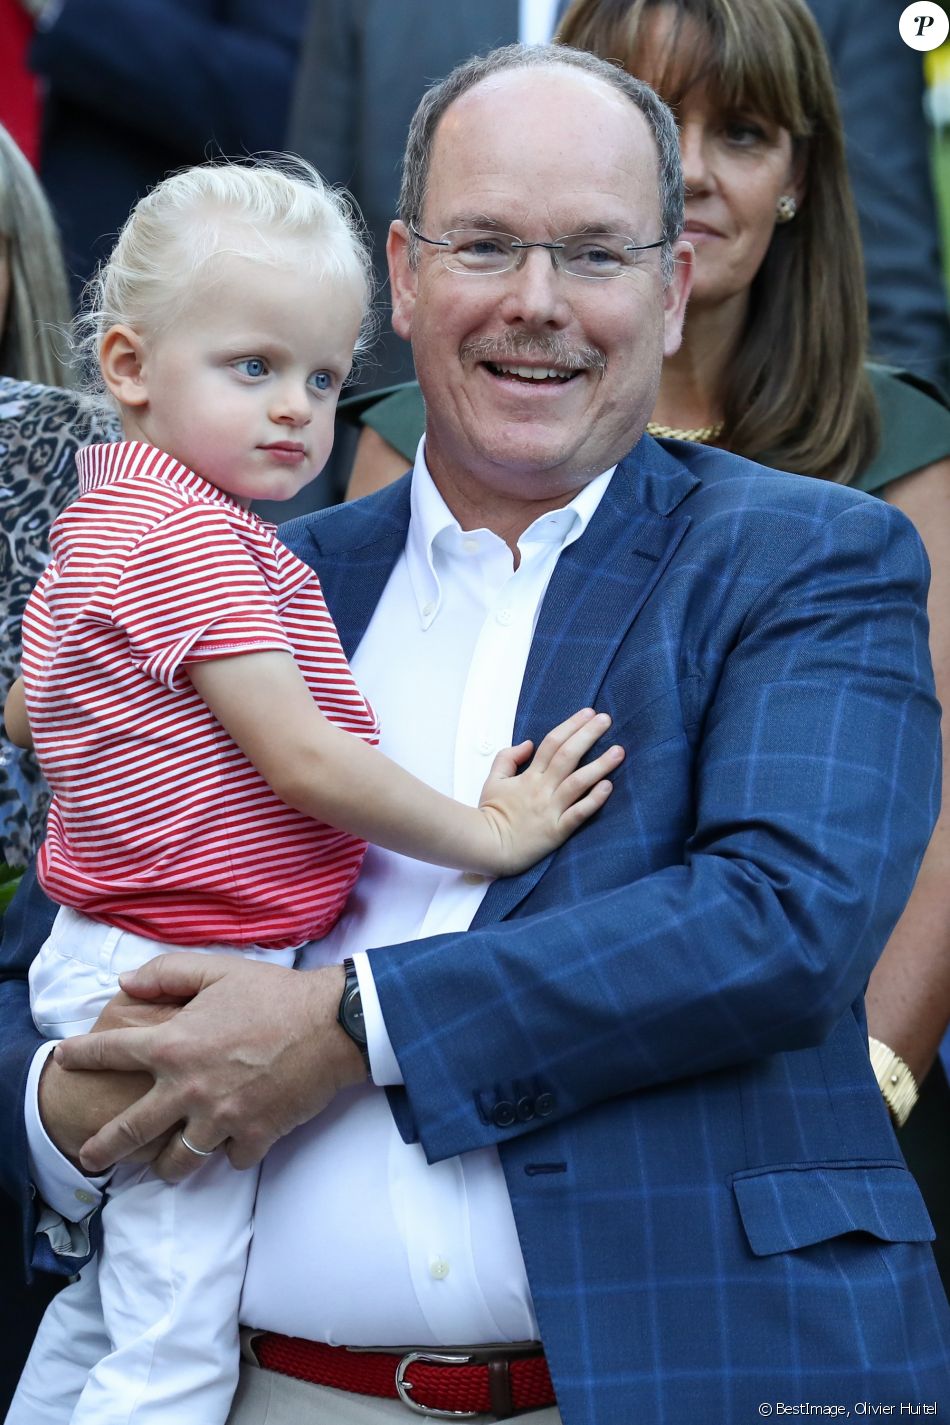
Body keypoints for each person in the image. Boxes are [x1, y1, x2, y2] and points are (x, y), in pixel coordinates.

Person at [2, 41, 950, 1424]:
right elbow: (48, 931)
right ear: (399, 273)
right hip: (265, 1393)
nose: (535, 303)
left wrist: (346, 1025)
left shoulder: (804, 556)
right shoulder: (246, 573)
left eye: (595, 254)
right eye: (486, 244)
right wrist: (73, 1115)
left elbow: (777, 921)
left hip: (672, 1380)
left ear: (673, 286)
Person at [2, 155, 621, 1425]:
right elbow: (302, 757)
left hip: (115, 936)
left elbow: (27, 709)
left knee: (122, 1294)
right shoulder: (200, 546)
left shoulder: (102, 517)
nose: (297, 410)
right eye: (253, 369)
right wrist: (484, 830)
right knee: (178, 1337)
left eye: (326, 379)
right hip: (178, 961)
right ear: (127, 368)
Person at [341, 5, 950, 1296]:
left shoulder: (886, 456)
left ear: (801, 175)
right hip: (463, 1111)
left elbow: (896, 835)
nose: (696, 167)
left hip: (789, 1107)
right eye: (651, 118)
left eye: (739, 131)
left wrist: (867, 1084)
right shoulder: (415, 440)